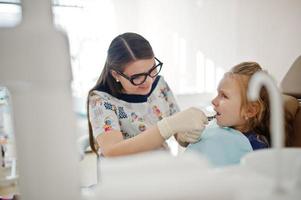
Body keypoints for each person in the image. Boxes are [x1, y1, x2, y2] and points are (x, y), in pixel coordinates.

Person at [87, 32, 208, 157]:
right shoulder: (101, 100)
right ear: (116, 75)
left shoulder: (159, 85)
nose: (149, 81)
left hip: (161, 167)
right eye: (138, 77)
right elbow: (112, 151)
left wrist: (185, 136)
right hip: (125, 173)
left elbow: (178, 133)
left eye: (152, 70)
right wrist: (167, 127)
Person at [186, 62, 270, 166]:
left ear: (250, 110)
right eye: (217, 94)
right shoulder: (213, 128)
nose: (214, 101)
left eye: (224, 96)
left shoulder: (256, 150)